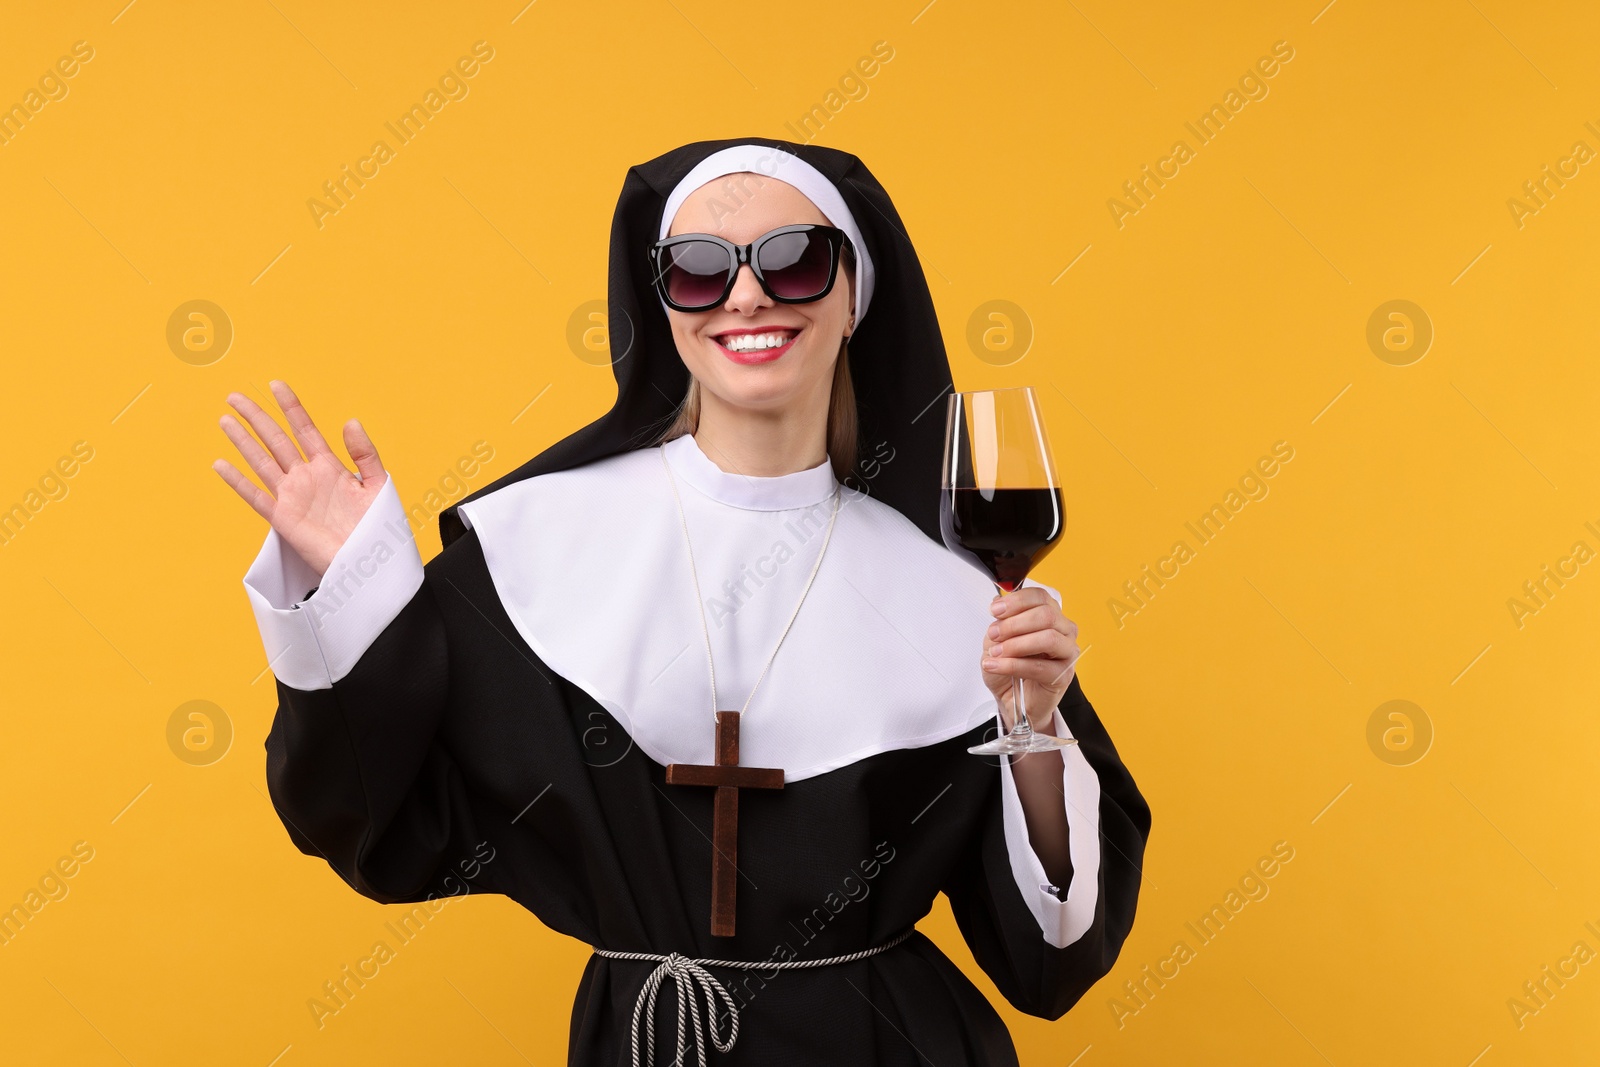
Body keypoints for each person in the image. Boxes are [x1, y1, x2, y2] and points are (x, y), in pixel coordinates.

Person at [214, 137, 1151, 1066]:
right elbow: (376, 827)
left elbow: (1051, 963)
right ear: (662, 304)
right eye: (699, 271)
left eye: (795, 260)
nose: (747, 295)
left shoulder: (957, 597)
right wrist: (357, 591)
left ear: (855, 292)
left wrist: (1033, 730)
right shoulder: (535, 545)